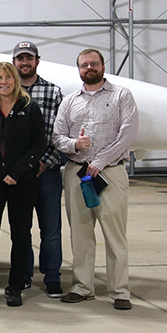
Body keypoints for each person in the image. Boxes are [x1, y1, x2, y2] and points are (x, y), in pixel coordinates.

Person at [53, 49, 138, 310]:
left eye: (94, 63)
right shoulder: (69, 101)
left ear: (102, 66)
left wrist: (100, 162)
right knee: (80, 233)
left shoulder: (121, 95)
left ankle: (120, 290)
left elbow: (129, 133)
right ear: (78, 69)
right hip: (77, 173)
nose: (89, 67)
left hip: (109, 173)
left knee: (114, 234)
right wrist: (75, 145)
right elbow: (57, 137)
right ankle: (82, 286)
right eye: (84, 64)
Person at [0, 62, 47, 310]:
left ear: (15, 80)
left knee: (21, 236)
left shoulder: (30, 108)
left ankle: (15, 286)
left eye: (8, 77)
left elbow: (38, 145)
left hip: (21, 182)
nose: (4, 82)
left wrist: (17, 171)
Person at [13, 41, 65, 298]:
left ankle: (52, 277)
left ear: (37, 61)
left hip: (48, 171)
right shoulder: (7, 91)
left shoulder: (53, 92)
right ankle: (23, 275)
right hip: (19, 174)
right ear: (14, 62)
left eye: (29, 58)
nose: (25, 63)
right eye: (20, 58)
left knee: (51, 229)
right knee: (22, 229)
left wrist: (45, 162)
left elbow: (59, 133)